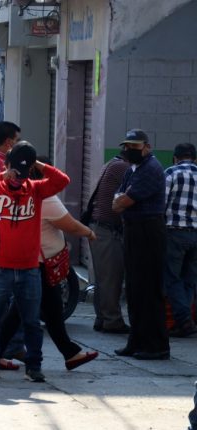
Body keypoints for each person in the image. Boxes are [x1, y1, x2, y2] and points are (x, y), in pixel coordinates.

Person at [0, 141, 70, 382]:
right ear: (7, 165)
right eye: (15, 169)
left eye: (25, 170)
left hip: (30, 268)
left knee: (31, 321)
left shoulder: (36, 189)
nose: (19, 176)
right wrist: (3, 173)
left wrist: (37, 164)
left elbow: (63, 181)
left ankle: (34, 366)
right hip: (0, 267)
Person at [0, 158, 99, 372]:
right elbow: (68, 219)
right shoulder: (41, 194)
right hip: (40, 264)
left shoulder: (7, 190)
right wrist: (89, 232)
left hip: (28, 260)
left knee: (39, 311)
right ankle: (2, 358)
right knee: (28, 314)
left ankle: (69, 352)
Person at [112, 129, 170, 360]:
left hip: (148, 231)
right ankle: (136, 341)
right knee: (135, 289)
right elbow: (116, 200)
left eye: (134, 147)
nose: (129, 150)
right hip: (135, 231)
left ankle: (155, 346)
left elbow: (122, 201)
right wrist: (121, 200)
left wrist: (122, 200)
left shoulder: (151, 169)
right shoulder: (133, 170)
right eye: (127, 146)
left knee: (148, 289)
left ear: (147, 147)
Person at [88, 152, 130, 333]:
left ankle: (103, 318)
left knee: (104, 277)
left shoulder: (112, 163)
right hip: (106, 229)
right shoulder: (122, 167)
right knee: (111, 277)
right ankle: (112, 320)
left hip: (100, 228)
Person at [163, 143, 197, 338]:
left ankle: (183, 320)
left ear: (175, 157)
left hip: (174, 233)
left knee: (172, 278)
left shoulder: (171, 173)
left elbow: (161, 203)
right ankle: (186, 321)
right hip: (195, 234)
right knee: (190, 279)